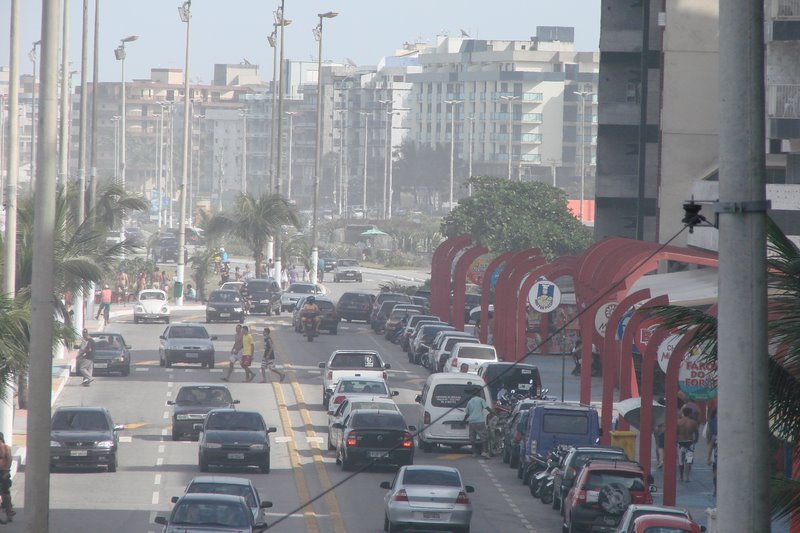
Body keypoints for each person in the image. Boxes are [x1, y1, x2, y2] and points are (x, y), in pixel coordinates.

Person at [462, 386, 495, 458]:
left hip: (471, 422)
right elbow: (487, 408)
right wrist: (494, 413)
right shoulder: (481, 400)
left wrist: (463, 421)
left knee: (472, 438)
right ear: (479, 393)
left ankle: (474, 453)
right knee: (484, 437)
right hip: (480, 421)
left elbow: (467, 413)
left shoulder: (470, 401)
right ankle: (484, 452)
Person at [677, 405, 700, 482]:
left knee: (681, 460)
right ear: (690, 414)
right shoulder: (693, 422)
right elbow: (696, 433)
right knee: (689, 460)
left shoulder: (678, 422)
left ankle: (681, 476)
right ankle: (687, 476)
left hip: (681, 442)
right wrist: (696, 440)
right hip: (690, 442)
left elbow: (676, 433)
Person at [0, 433, 14, 522]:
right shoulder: (6, 448)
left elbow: (9, 460)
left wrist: (6, 471)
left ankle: (9, 512)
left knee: (5, 493)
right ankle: (9, 512)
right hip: (5, 472)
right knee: (5, 493)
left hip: (3, 472)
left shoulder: (6, 448)